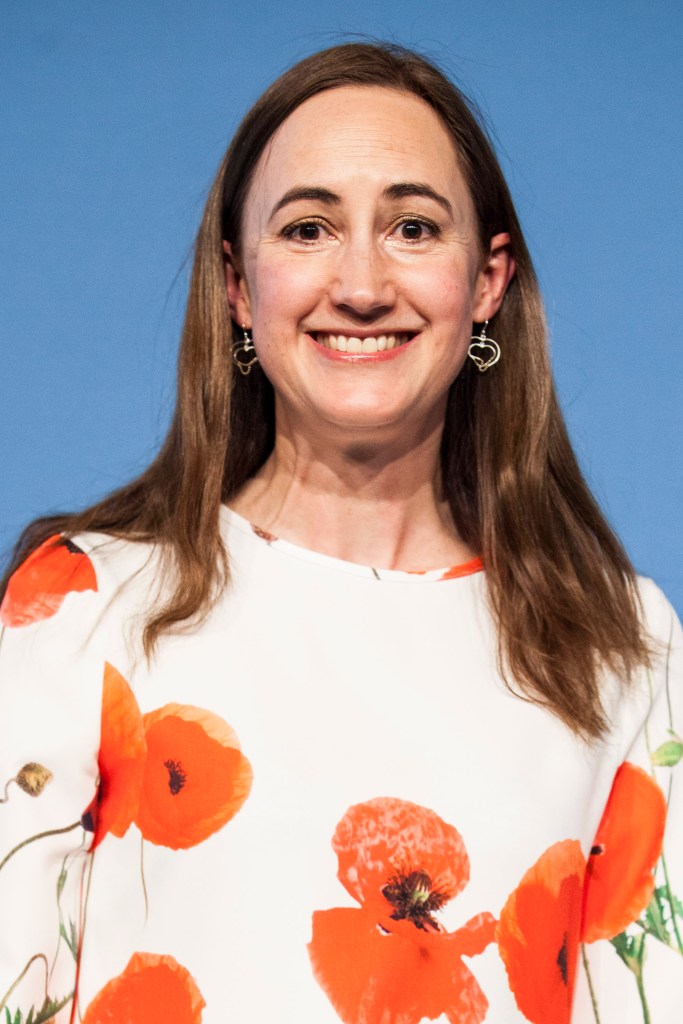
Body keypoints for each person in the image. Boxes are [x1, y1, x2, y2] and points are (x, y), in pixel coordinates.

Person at [0, 41, 680, 1024]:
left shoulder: (619, 645)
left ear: (486, 282)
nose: (359, 282)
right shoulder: (79, 612)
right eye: (308, 228)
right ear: (238, 286)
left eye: (411, 226)